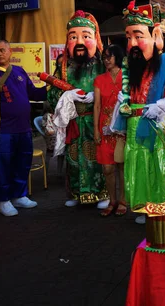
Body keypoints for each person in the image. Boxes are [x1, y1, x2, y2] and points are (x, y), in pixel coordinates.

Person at [111, 1, 165, 224]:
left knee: (156, 163)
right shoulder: (128, 64)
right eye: (128, 37)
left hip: (155, 122)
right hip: (133, 123)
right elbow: (125, 91)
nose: (132, 44)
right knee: (136, 164)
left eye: (138, 36)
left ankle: (158, 203)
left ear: (155, 35)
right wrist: (123, 102)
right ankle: (142, 206)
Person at [0, 39, 47, 217]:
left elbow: (34, 93)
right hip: (2, 130)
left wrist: (52, 87)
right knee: (3, 166)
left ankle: (19, 195)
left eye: (2, 50)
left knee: (22, 163)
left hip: (23, 128)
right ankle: (4, 200)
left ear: (10, 52)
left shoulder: (19, 71)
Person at [49, 11, 108, 209]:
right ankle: (76, 193)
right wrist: (66, 96)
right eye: (73, 37)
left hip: (96, 120)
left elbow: (117, 90)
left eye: (85, 36)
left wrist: (97, 96)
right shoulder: (64, 66)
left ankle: (102, 194)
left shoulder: (104, 64)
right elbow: (50, 96)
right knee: (73, 159)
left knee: (97, 159)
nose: (79, 41)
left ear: (95, 38)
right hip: (73, 121)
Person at [93, 45, 126, 217]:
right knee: (107, 168)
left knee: (122, 166)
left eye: (109, 56)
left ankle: (122, 200)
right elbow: (97, 105)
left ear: (117, 57)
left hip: (122, 129)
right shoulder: (99, 79)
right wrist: (96, 130)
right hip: (105, 129)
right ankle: (112, 200)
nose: (106, 60)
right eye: (104, 57)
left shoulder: (126, 77)